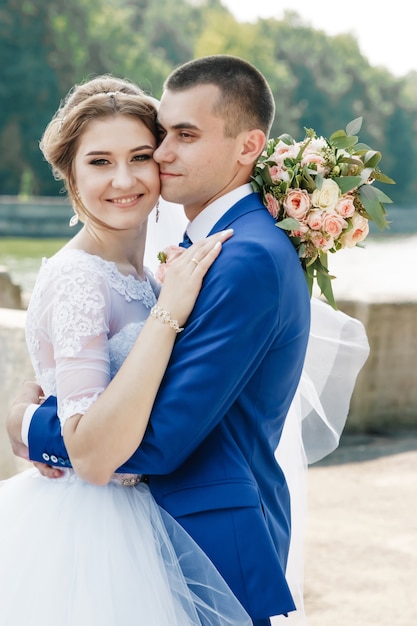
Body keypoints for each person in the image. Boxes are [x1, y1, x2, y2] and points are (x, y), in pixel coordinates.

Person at [8, 56, 369, 624]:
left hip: (194, 533)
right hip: (121, 540)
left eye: (179, 138)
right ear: (71, 175)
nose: (161, 157)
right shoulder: (191, 257)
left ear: (247, 146)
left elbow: (154, 441)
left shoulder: (239, 257)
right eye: (164, 136)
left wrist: (32, 426)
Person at [0, 75, 251, 626]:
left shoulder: (145, 272)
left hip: (152, 516)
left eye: (140, 156)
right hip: (93, 534)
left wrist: (25, 411)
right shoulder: (78, 280)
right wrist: (169, 314)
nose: (123, 180)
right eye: (98, 162)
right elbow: (90, 453)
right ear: (69, 173)